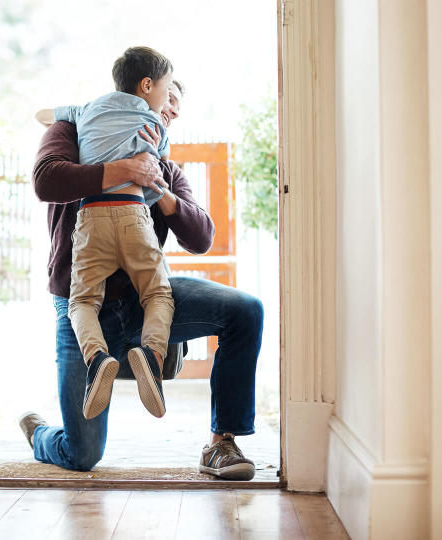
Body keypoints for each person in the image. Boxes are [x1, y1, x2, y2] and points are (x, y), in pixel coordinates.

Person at [18, 78, 264, 481]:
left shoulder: (163, 165)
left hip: (147, 301)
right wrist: (121, 169)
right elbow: (46, 180)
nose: (175, 110)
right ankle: (41, 435)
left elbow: (201, 237)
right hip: (84, 308)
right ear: (141, 95)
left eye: (178, 104)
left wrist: (161, 191)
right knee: (82, 454)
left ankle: (222, 443)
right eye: (170, 98)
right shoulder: (73, 130)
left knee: (245, 311)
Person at [34, 46, 177, 421]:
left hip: (91, 215)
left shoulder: (86, 112)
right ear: (146, 85)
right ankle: (151, 355)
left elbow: (43, 115)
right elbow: (156, 169)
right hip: (132, 214)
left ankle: (97, 359)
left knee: (82, 302)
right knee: (158, 293)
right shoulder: (155, 123)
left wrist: (64, 119)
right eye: (165, 90)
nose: (166, 100)